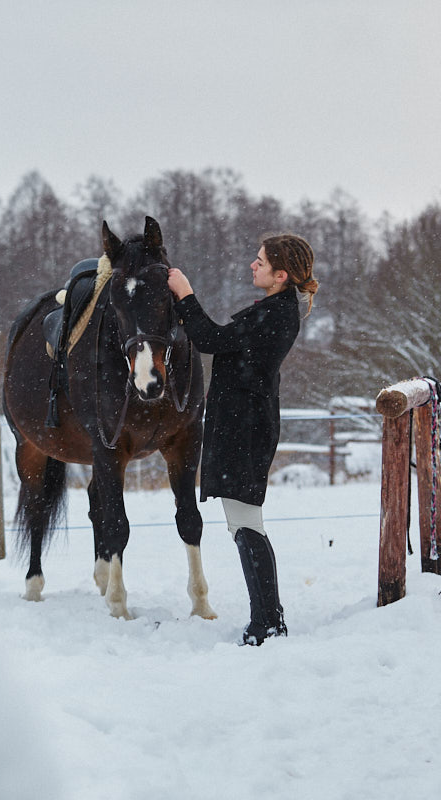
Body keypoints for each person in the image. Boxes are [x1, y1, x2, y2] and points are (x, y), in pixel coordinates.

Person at [166, 235, 318, 645]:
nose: (253, 265)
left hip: (244, 431)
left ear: (280, 275)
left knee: (246, 524)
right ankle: (268, 618)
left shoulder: (275, 314)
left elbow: (211, 340)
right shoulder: (276, 311)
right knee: (245, 523)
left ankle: (267, 623)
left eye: (261, 261)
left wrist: (185, 295)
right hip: (244, 427)